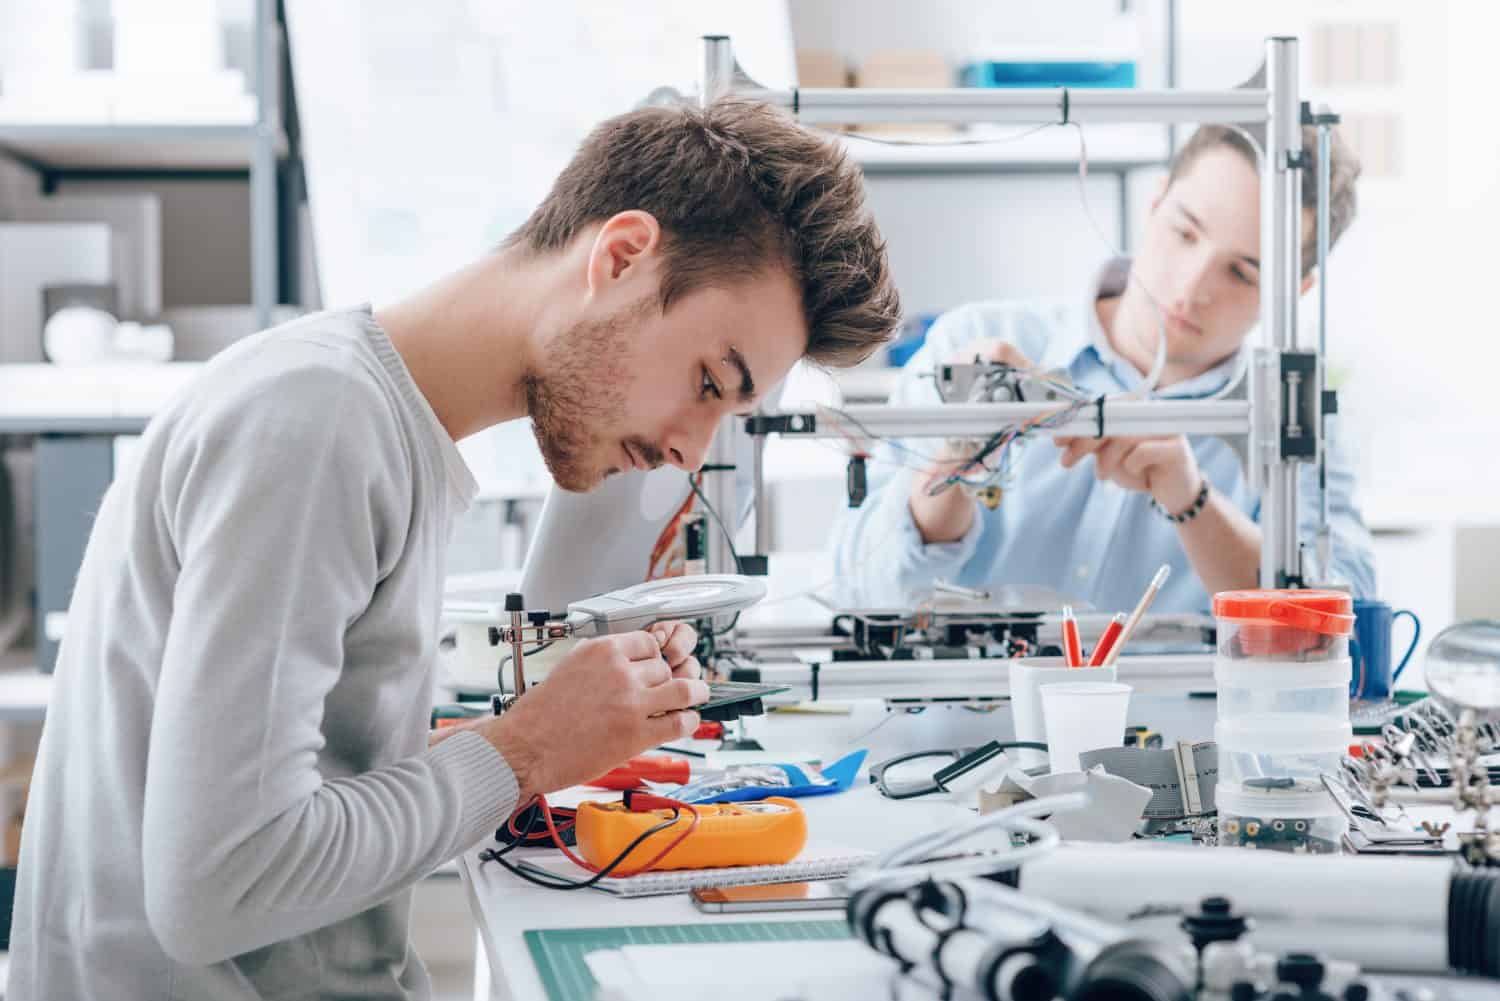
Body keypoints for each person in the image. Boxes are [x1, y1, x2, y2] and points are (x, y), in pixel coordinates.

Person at [10, 100, 899, 1000]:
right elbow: (220, 882)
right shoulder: (317, 423)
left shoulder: (375, 425)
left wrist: (546, 737)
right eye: (710, 381)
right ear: (622, 257)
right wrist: (524, 749)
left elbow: (298, 791)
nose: (690, 450)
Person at [830, 115, 1373, 614]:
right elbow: (858, 592)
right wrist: (952, 462)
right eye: (1185, 233)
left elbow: (1340, 629)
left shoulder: (1296, 418)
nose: (1191, 287)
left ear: (1297, 289)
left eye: (1242, 273)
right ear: (1156, 201)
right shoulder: (973, 341)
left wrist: (1194, 502)